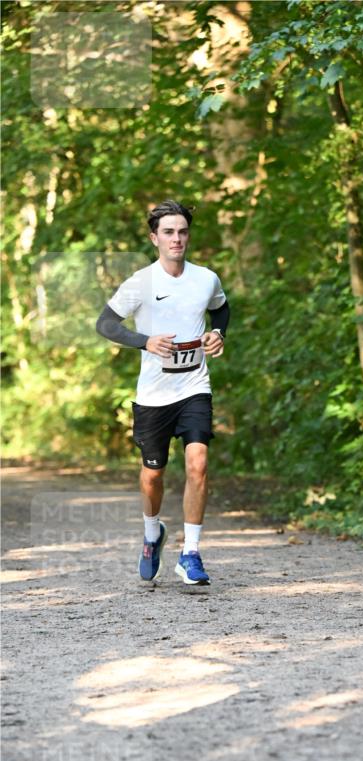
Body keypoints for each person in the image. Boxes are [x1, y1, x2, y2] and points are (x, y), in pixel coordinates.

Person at [96, 199, 230, 585]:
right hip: (154, 395)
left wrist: (218, 333)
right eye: (168, 232)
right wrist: (144, 342)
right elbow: (105, 324)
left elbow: (221, 311)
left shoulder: (206, 278)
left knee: (198, 463)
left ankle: (191, 554)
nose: (177, 239)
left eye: (183, 231)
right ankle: (152, 532)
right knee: (152, 476)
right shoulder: (141, 282)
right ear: (155, 238)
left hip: (194, 386)